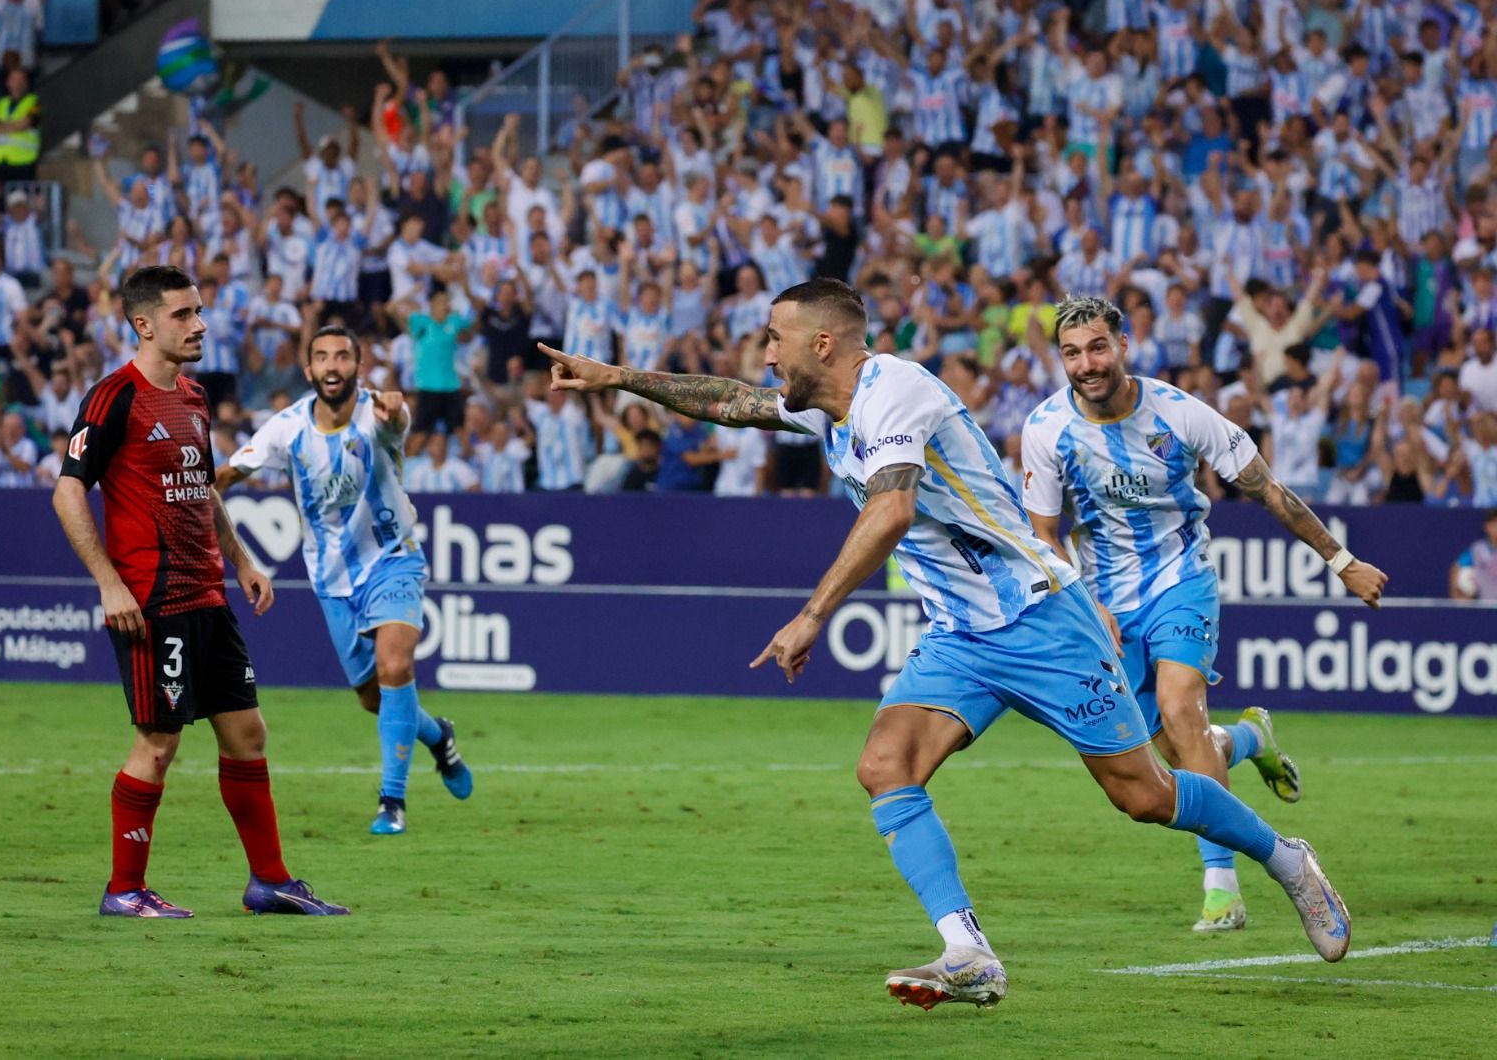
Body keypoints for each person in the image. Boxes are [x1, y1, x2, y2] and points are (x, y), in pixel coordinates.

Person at [540, 278, 1355, 1011]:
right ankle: (968, 951)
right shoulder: (829, 405)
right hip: (963, 634)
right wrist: (618, 379)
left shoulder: (895, 391)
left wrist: (812, 615)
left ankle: (1286, 860)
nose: (766, 352)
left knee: (1145, 795)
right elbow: (732, 401)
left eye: (774, 337)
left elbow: (890, 511)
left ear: (822, 342)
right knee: (884, 765)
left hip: (1040, 617)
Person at [1020, 295, 1389, 933]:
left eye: (1098, 347)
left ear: (1125, 345)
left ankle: (1222, 889)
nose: (1087, 364)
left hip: (1179, 580)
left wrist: (1341, 561)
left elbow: (1269, 490)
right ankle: (1248, 740)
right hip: (1104, 600)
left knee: (1179, 708)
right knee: (1163, 756)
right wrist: (1086, 601)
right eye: (1072, 353)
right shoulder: (1045, 428)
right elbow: (1043, 531)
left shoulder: (1182, 414)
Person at [52, 265, 347, 917]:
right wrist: (108, 583)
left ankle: (269, 881)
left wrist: (241, 561)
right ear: (144, 324)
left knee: (247, 732)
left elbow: (204, 487)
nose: (200, 324)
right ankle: (124, 890)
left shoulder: (193, 397)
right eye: (184, 315)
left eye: (199, 311)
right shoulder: (113, 398)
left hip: (208, 595)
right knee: (158, 744)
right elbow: (68, 490)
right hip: (151, 600)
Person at [214, 324, 472, 835]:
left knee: (395, 666)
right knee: (375, 699)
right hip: (331, 579)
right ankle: (436, 735)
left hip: (394, 558)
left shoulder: (378, 413)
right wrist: (187, 483)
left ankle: (391, 801)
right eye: (322, 358)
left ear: (358, 366)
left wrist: (395, 412)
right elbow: (226, 476)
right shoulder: (286, 428)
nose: (333, 366)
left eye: (343, 356)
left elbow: (396, 421)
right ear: (308, 370)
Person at [1452, 510, 1497, 599]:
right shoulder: (1477, 549)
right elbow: (1456, 567)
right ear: (1486, 527)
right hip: (1483, 605)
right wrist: (1456, 595)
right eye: (1493, 524)